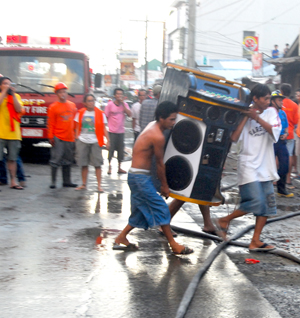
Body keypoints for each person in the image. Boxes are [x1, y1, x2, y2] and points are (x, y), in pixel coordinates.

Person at [113, 101, 193, 255]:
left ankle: (121, 237)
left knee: (141, 211)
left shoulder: (153, 125)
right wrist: (164, 186)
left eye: (174, 119)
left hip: (138, 176)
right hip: (139, 178)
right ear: (161, 118)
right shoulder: (157, 136)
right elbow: (160, 164)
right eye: (171, 119)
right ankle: (174, 245)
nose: (173, 122)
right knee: (161, 209)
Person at [216, 84, 281, 251]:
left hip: (265, 166)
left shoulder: (271, 112)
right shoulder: (242, 114)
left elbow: (275, 132)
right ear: (255, 99)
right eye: (265, 98)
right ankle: (224, 220)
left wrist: (257, 118)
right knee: (255, 201)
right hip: (248, 165)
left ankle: (255, 241)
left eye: (269, 98)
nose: (268, 102)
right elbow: (234, 137)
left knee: (267, 205)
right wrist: (246, 116)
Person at [74, 94, 110, 192]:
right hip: (82, 141)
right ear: (85, 103)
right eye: (89, 101)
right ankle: (83, 184)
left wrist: (107, 141)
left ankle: (99, 186)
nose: (91, 103)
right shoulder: (80, 113)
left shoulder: (100, 113)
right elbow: (77, 127)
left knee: (97, 164)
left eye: (92, 100)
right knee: (83, 164)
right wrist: (77, 138)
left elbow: (104, 128)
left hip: (95, 141)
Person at [47, 82, 77, 189]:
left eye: (64, 91)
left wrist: (76, 134)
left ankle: (67, 181)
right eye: (60, 92)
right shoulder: (53, 107)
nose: (63, 94)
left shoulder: (72, 105)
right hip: (58, 137)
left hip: (70, 137)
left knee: (68, 160)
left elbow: (75, 121)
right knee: (55, 160)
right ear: (57, 94)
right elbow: (50, 123)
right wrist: (50, 136)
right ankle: (53, 182)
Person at [0, 76, 24, 190]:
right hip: (1, 132)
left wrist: (12, 94)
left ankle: (13, 181)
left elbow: (19, 109)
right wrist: (4, 92)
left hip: (13, 133)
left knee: (12, 159)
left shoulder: (16, 96)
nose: (8, 86)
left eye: (10, 84)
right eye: (5, 84)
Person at [271, 90, 293, 197]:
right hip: (271, 142)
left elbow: (287, 127)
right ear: (273, 101)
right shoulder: (267, 113)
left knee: (285, 165)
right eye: (279, 100)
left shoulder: (282, 112)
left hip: (281, 141)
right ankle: (267, 189)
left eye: (282, 100)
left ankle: (281, 189)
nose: (281, 102)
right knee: (268, 166)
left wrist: (286, 133)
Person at [104, 88, 131, 175]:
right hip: (112, 131)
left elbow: (130, 114)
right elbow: (105, 117)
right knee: (111, 150)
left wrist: (123, 104)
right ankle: (109, 167)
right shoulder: (110, 105)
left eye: (121, 94)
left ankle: (119, 167)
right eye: (118, 94)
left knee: (120, 150)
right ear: (115, 95)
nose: (119, 96)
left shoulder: (125, 104)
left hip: (121, 132)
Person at [280, 83, 299, 186]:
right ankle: (288, 179)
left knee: (277, 156)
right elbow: (296, 121)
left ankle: (275, 179)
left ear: (281, 91)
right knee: (289, 155)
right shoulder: (294, 105)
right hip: (290, 133)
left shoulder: (278, 103)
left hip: (279, 133)